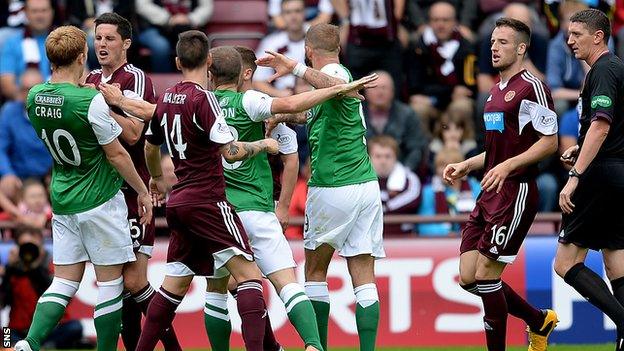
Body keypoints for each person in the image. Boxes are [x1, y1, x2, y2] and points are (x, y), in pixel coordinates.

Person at [99, 30, 373, 351]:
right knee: (281, 283)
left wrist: (122, 104)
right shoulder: (246, 101)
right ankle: (312, 345)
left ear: (206, 68)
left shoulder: (183, 99)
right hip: (239, 207)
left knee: (204, 289)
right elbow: (286, 113)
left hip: (199, 207)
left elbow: (152, 116)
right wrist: (329, 94)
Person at [211, 43, 367, 351]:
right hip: (255, 206)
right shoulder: (255, 103)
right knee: (286, 283)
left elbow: (291, 154)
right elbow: (294, 111)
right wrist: (338, 90)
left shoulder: (201, 104)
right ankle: (312, 345)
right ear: (243, 73)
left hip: (217, 210)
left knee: (217, 288)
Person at [15, 25, 153, 351]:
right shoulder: (89, 100)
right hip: (100, 198)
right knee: (110, 283)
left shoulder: (34, 96)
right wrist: (142, 190)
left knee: (63, 281)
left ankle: (29, 343)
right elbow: (118, 153)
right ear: (82, 56)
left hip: (63, 197)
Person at [257, 23, 385, 351]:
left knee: (314, 272)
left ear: (308, 51)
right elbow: (318, 110)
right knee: (364, 277)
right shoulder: (332, 78)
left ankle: (319, 348)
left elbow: (339, 88)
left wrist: (294, 67)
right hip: (366, 186)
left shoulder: (334, 73)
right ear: (338, 47)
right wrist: (285, 117)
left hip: (332, 186)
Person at [443, 18, 559, 351]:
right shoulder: (494, 91)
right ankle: (538, 320)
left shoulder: (531, 86)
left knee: (486, 277)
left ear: (521, 48)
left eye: (503, 42)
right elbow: (497, 149)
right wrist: (468, 163)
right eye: (493, 41)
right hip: (489, 192)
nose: (494, 47)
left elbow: (549, 142)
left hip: (517, 192)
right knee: (468, 276)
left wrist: (508, 166)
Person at [83, 12, 181, 351]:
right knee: (116, 284)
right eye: (98, 38)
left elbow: (135, 132)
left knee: (135, 280)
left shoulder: (136, 80)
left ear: (126, 43)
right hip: (99, 193)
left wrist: (101, 105)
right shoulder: (91, 77)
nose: (102, 44)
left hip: (131, 192)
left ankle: (173, 348)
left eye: (110, 38)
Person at [555, 9, 624, 351]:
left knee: (565, 263)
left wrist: (575, 174)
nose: (569, 40)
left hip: (598, 176)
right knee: (616, 261)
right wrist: (580, 147)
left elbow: (601, 125)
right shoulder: (616, 69)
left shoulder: (604, 70)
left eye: (577, 34)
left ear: (598, 36)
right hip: (618, 174)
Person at [406, 1, 477, 130]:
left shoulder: (466, 47)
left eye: (445, 20)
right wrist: (450, 92)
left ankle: (466, 148)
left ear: (455, 22)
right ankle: (423, 149)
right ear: (429, 22)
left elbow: (468, 88)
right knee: (417, 108)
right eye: (436, 20)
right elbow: (416, 88)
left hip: (451, 103)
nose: (440, 25)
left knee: (463, 106)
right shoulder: (418, 47)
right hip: (430, 104)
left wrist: (434, 96)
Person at [0, 69, 52, 201]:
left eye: (33, 89)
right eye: (24, 89)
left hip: (48, 176)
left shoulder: (54, 113)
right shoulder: (9, 111)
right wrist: (7, 174)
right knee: (6, 185)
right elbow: (1, 148)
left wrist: (56, 174)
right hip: (19, 179)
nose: (28, 94)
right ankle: (19, 218)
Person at [363, 70, 428, 172]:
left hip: (400, 171)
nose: (380, 92)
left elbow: (416, 148)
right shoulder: (355, 115)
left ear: (393, 91)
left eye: (384, 88)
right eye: (374, 87)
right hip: (362, 173)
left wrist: (404, 173)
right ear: (366, 91)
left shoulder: (407, 114)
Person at [135, 0, 214, 72]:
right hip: (154, 27)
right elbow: (142, 6)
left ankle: (194, 82)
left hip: (190, 27)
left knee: (197, 44)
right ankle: (164, 83)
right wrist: (168, 19)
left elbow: (206, 7)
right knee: (160, 46)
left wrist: (190, 19)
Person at [418, 147, 480, 236]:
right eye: (440, 166)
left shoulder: (476, 188)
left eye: (448, 166)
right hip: (442, 244)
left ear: (461, 168)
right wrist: (447, 233)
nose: (443, 171)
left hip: (473, 241)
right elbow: (423, 227)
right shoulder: (429, 192)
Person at [0, 0, 54, 100]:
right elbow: (6, 84)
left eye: (44, 10)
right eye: (34, 11)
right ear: (26, 13)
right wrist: (32, 103)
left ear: (52, 12)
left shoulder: (64, 40)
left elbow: (81, 76)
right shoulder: (12, 43)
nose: (40, 16)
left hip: (61, 104)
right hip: (24, 103)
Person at [368, 135, 421, 236]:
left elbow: (413, 199)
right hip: (369, 239)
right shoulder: (359, 179)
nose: (383, 161)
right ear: (369, 157)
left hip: (403, 238)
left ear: (396, 157)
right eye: (378, 156)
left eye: (388, 156)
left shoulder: (409, 178)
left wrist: (385, 207)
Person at [254, 0, 308, 97]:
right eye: (288, 12)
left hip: (313, 98)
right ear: (282, 15)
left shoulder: (316, 40)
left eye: (297, 11)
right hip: (281, 99)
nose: (293, 17)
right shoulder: (271, 43)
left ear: (305, 13)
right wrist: (279, 94)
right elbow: (257, 81)